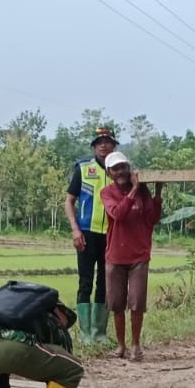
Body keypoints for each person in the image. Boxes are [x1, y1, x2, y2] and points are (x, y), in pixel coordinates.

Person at [99, 150, 163, 362]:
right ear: (109, 172)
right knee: (117, 303)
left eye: (124, 167)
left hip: (139, 255)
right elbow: (118, 214)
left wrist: (157, 195)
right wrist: (135, 189)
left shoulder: (143, 191)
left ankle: (135, 345)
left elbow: (152, 219)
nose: (121, 172)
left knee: (136, 302)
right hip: (115, 256)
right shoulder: (106, 193)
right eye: (116, 168)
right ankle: (121, 345)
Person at [63, 126, 117, 344]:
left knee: (106, 282)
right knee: (85, 281)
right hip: (86, 233)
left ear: (113, 145)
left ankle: (99, 332)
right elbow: (69, 201)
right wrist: (75, 229)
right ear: (94, 146)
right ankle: (85, 334)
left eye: (107, 141)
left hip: (111, 236)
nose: (103, 145)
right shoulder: (83, 169)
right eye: (99, 142)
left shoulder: (119, 170)